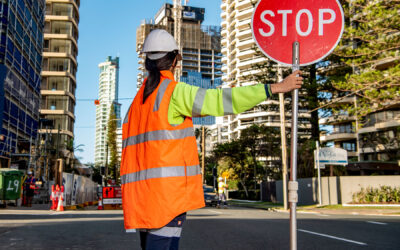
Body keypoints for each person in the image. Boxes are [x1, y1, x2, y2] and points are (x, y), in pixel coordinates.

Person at [121, 29, 303, 250]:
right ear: (175, 60)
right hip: (167, 201)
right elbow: (220, 100)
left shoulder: (135, 105)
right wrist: (273, 88)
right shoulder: (173, 93)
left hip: (142, 201)